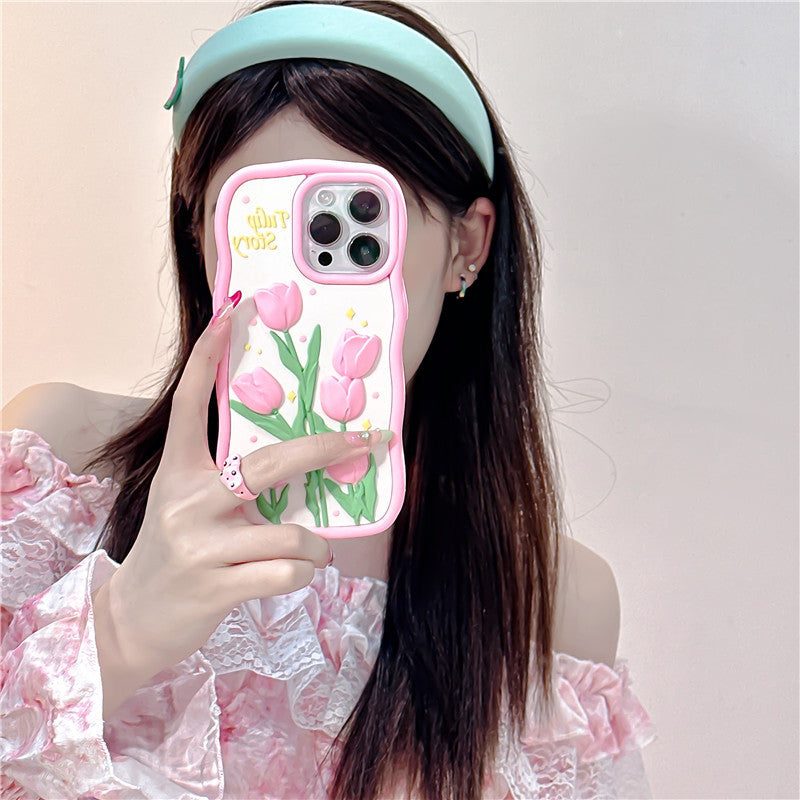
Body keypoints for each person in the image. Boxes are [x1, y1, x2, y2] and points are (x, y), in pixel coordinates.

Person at [0, 1, 657, 797]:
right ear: (199, 234)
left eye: (358, 227)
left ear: (468, 244)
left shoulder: (553, 606)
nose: (308, 290)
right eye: (258, 227)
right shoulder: (62, 477)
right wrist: (118, 633)